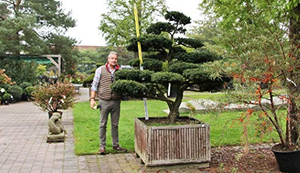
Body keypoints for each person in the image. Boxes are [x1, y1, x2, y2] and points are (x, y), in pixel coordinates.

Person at [90, 51, 127, 155]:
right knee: (103, 124)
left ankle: (116, 145)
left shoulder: (120, 71)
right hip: (104, 101)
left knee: (115, 125)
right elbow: (94, 85)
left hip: (116, 101)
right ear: (108, 59)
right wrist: (92, 99)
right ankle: (102, 146)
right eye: (112, 58)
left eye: (115, 59)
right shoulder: (100, 70)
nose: (114, 60)